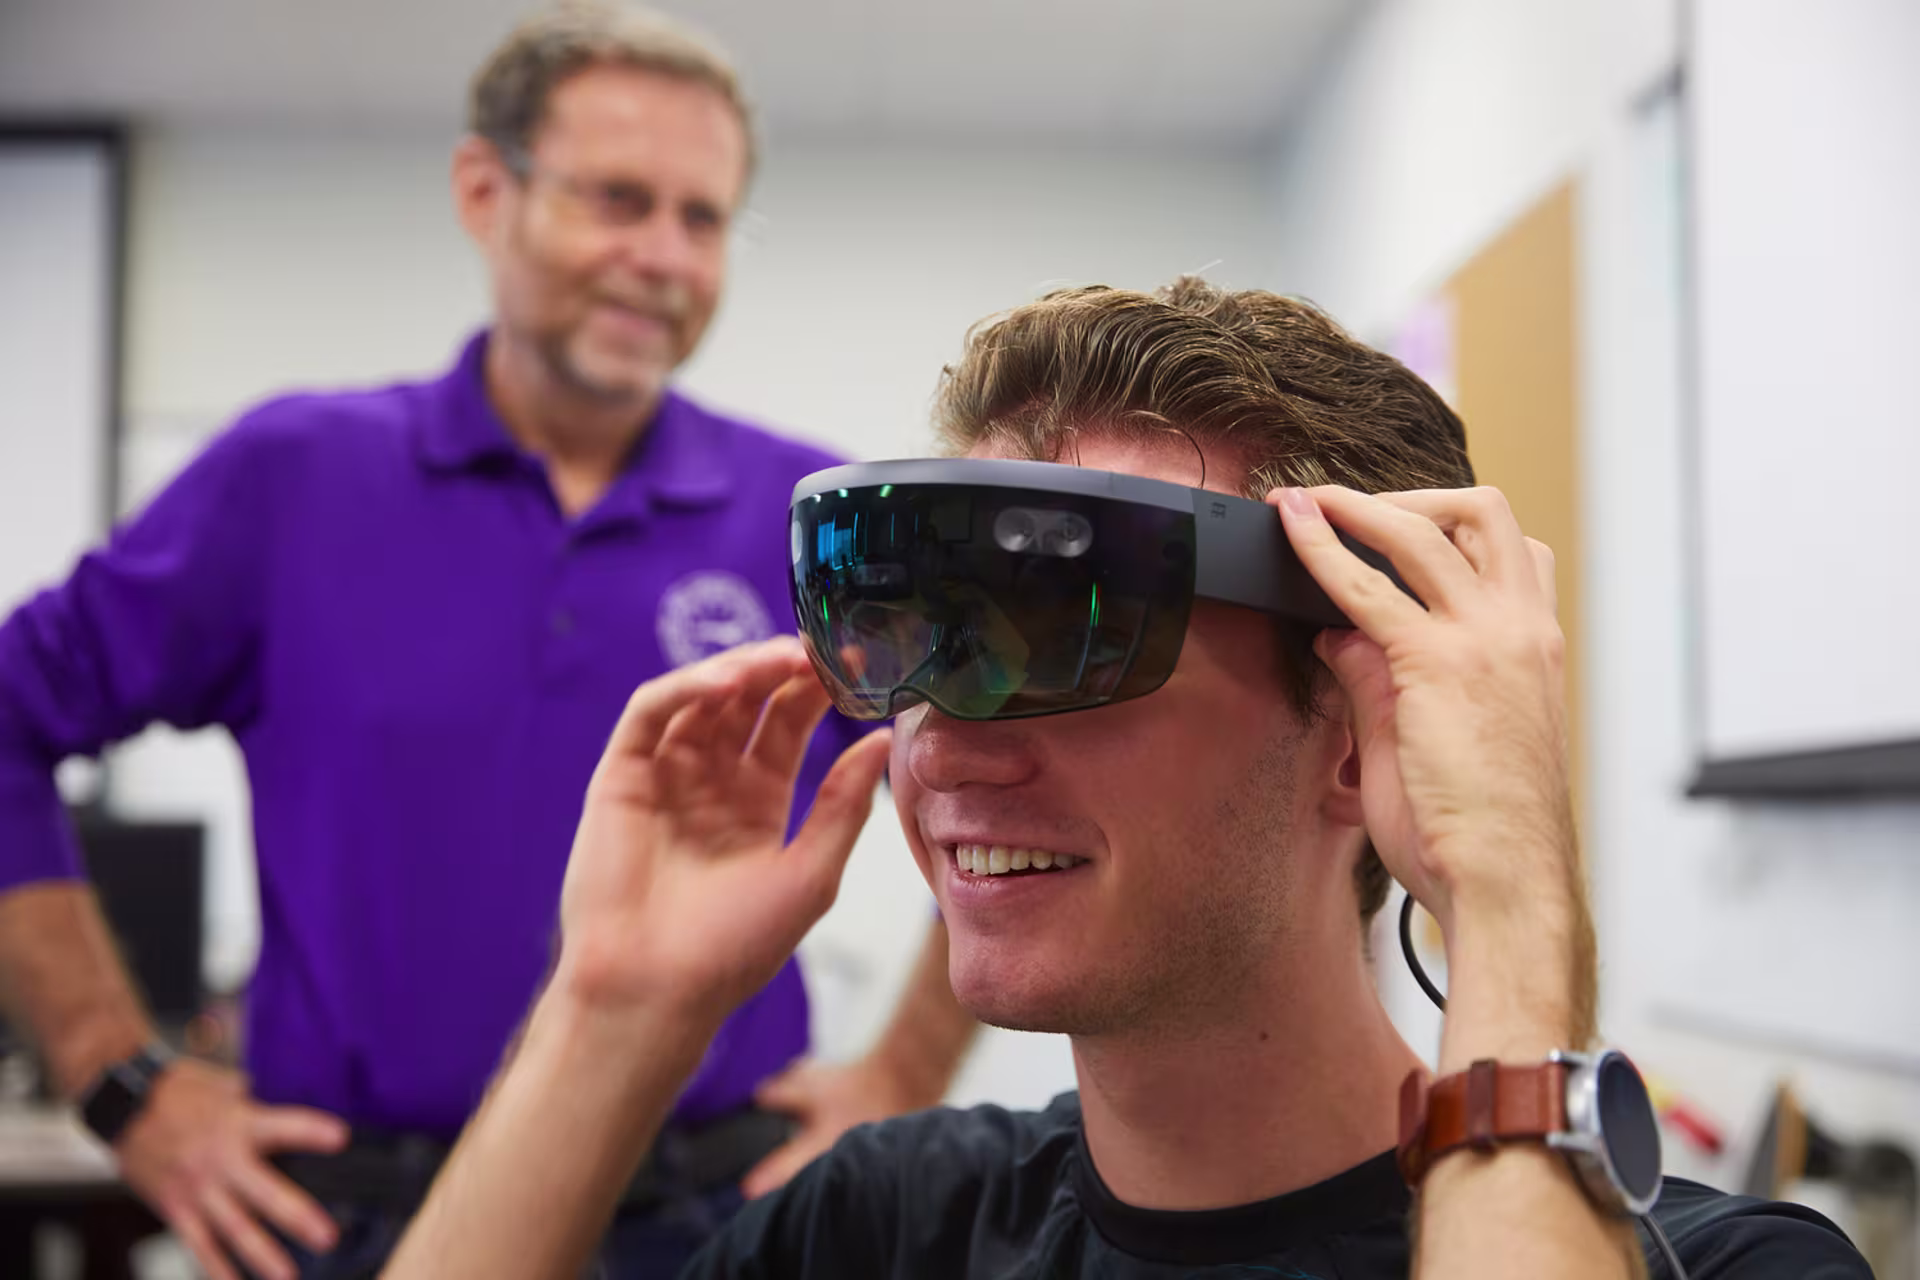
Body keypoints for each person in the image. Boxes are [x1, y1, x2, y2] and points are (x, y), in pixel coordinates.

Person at [382, 279, 1871, 1279]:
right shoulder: (891, 1229)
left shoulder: (1736, 1268)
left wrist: (1510, 895)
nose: (947, 743)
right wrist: (614, 1012)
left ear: (1363, 727)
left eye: (1064, 638)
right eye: (913, 645)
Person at [0, 6, 975, 1279]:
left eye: (703, 218)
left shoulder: (809, 516)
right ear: (483, 191)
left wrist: (903, 1067)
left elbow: (1011, 749)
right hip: (356, 1219)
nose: (663, 258)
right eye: (617, 199)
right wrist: (122, 1083)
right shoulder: (292, 478)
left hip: (713, 1220)